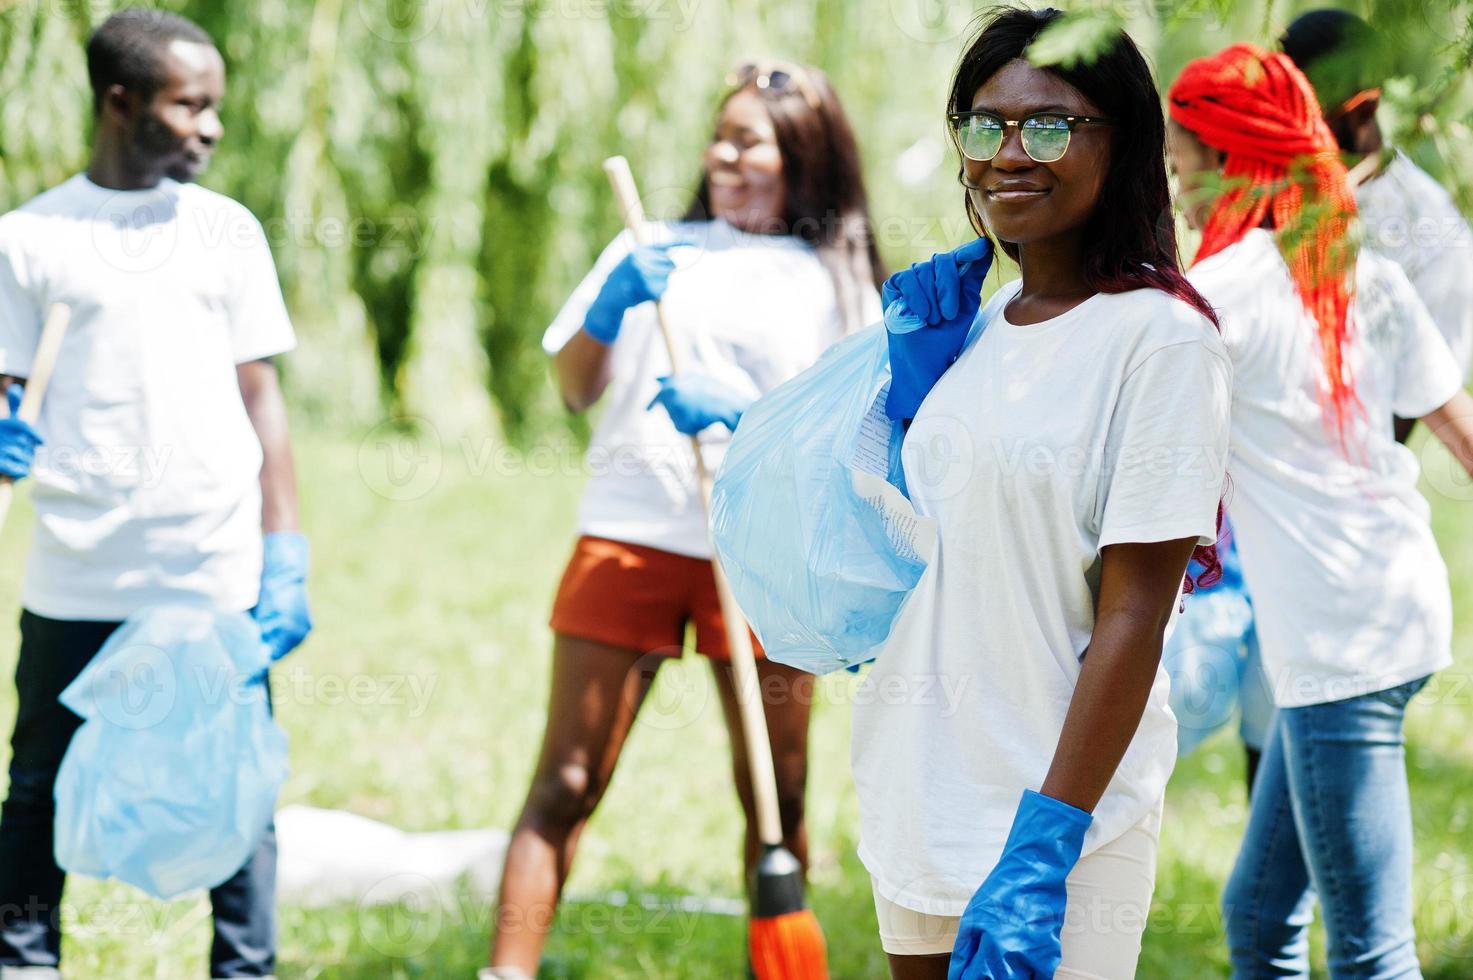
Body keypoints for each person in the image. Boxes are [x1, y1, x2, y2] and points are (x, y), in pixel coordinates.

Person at [849, 9, 1231, 978]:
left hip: (1062, 821)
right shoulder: (969, 335)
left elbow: (1135, 612)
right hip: (918, 797)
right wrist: (901, 406)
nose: (1010, 152)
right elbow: (906, 556)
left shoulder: (1163, 340)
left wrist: (1044, 843)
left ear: (1125, 143)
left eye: (1051, 126)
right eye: (985, 125)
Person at [484, 60, 883, 979]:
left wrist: (748, 414)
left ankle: (775, 963)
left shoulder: (837, 278)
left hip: (766, 555)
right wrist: (614, 301)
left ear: (805, 156)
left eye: (751, 141)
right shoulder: (651, 244)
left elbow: (856, 440)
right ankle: (504, 971)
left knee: (775, 794)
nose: (724, 155)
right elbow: (576, 387)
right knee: (567, 780)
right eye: (720, 134)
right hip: (630, 536)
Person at [0, 9, 310, 978]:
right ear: (119, 101)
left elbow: (261, 395)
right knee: (39, 782)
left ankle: (243, 967)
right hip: (79, 567)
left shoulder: (225, 231)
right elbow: (10, 385)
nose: (211, 127)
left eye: (215, 106)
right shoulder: (30, 237)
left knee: (232, 784)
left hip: (205, 562)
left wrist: (284, 546)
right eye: (190, 106)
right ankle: (21, 958)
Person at [1167, 43, 1473, 978]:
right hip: (1390, 609)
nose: (1175, 193)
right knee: (1258, 918)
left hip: (1343, 646)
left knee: (1372, 955)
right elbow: (1460, 430)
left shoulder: (1218, 299)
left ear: (1226, 163)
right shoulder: (1355, 267)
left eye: (1180, 167)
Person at [1284, 8, 1473, 438]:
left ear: (1362, 111)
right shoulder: (1262, 192)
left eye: (1301, 113)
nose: (1282, 131)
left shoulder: (1436, 234)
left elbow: (1412, 406)